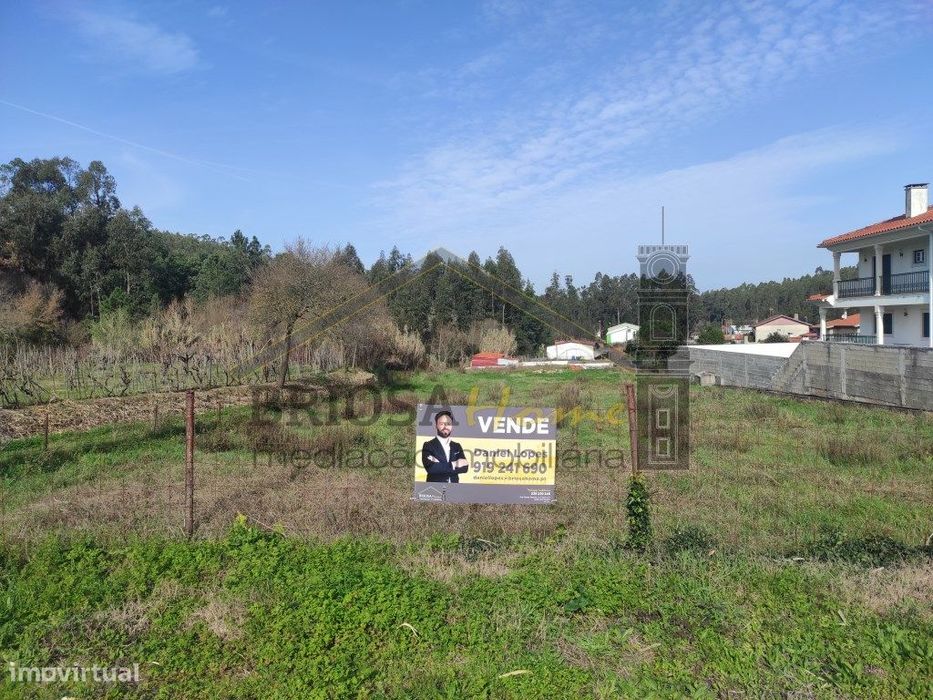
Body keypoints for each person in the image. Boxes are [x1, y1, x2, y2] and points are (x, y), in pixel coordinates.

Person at [421, 410, 469, 483]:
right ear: (436, 426)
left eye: (448, 424)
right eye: (442, 424)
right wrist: (455, 464)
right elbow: (431, 469)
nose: (445, 426)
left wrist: (440, 465)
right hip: (435, 487)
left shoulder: (457, 446)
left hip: (454, 487)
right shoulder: (428, 445)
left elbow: (465, 468)